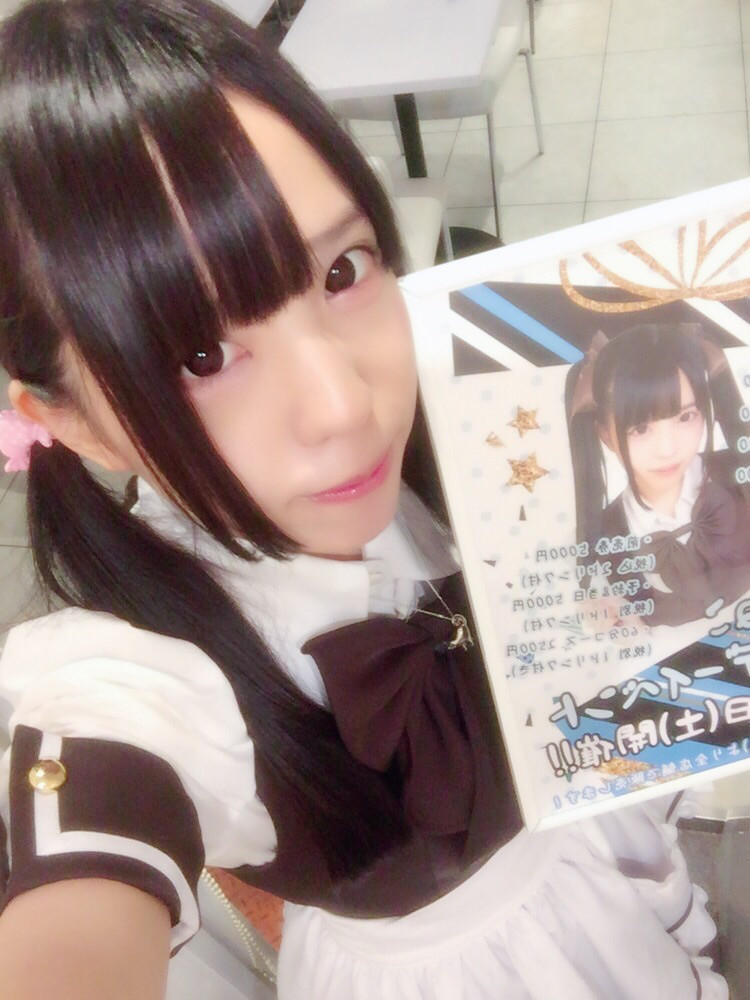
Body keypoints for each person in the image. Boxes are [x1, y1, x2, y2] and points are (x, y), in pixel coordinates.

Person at [0, 2, 728, 998]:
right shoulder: (134, 676)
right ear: (73, 422)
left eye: (341, 271)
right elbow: (73, 904)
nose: (345, 405)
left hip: (599, 867)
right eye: (200, 356)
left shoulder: (496, 418)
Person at [566, 323, 750, 627]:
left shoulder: (738, 473)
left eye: (686, 417)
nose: (667, 449)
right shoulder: (603, 537)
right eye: (640, 429)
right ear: (606, 434)